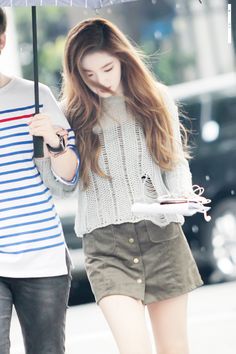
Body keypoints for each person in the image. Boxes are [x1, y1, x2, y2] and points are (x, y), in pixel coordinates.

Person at [61, 18, 203, 354]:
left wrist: (179, 198)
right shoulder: (72, 116)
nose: (101, 81)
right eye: (88, 74)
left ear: (123, 59)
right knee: (133, 347)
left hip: (160, 235)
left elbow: (175, 162)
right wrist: (53, 146)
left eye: (107, 68)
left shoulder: (155, 99)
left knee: (174, 348)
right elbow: (64, 183)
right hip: (106, 245)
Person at [0, 8, 79, 354]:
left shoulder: (36, 97)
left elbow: (69, 178)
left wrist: (54, 141)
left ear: (1, 41)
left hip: (41, 254)